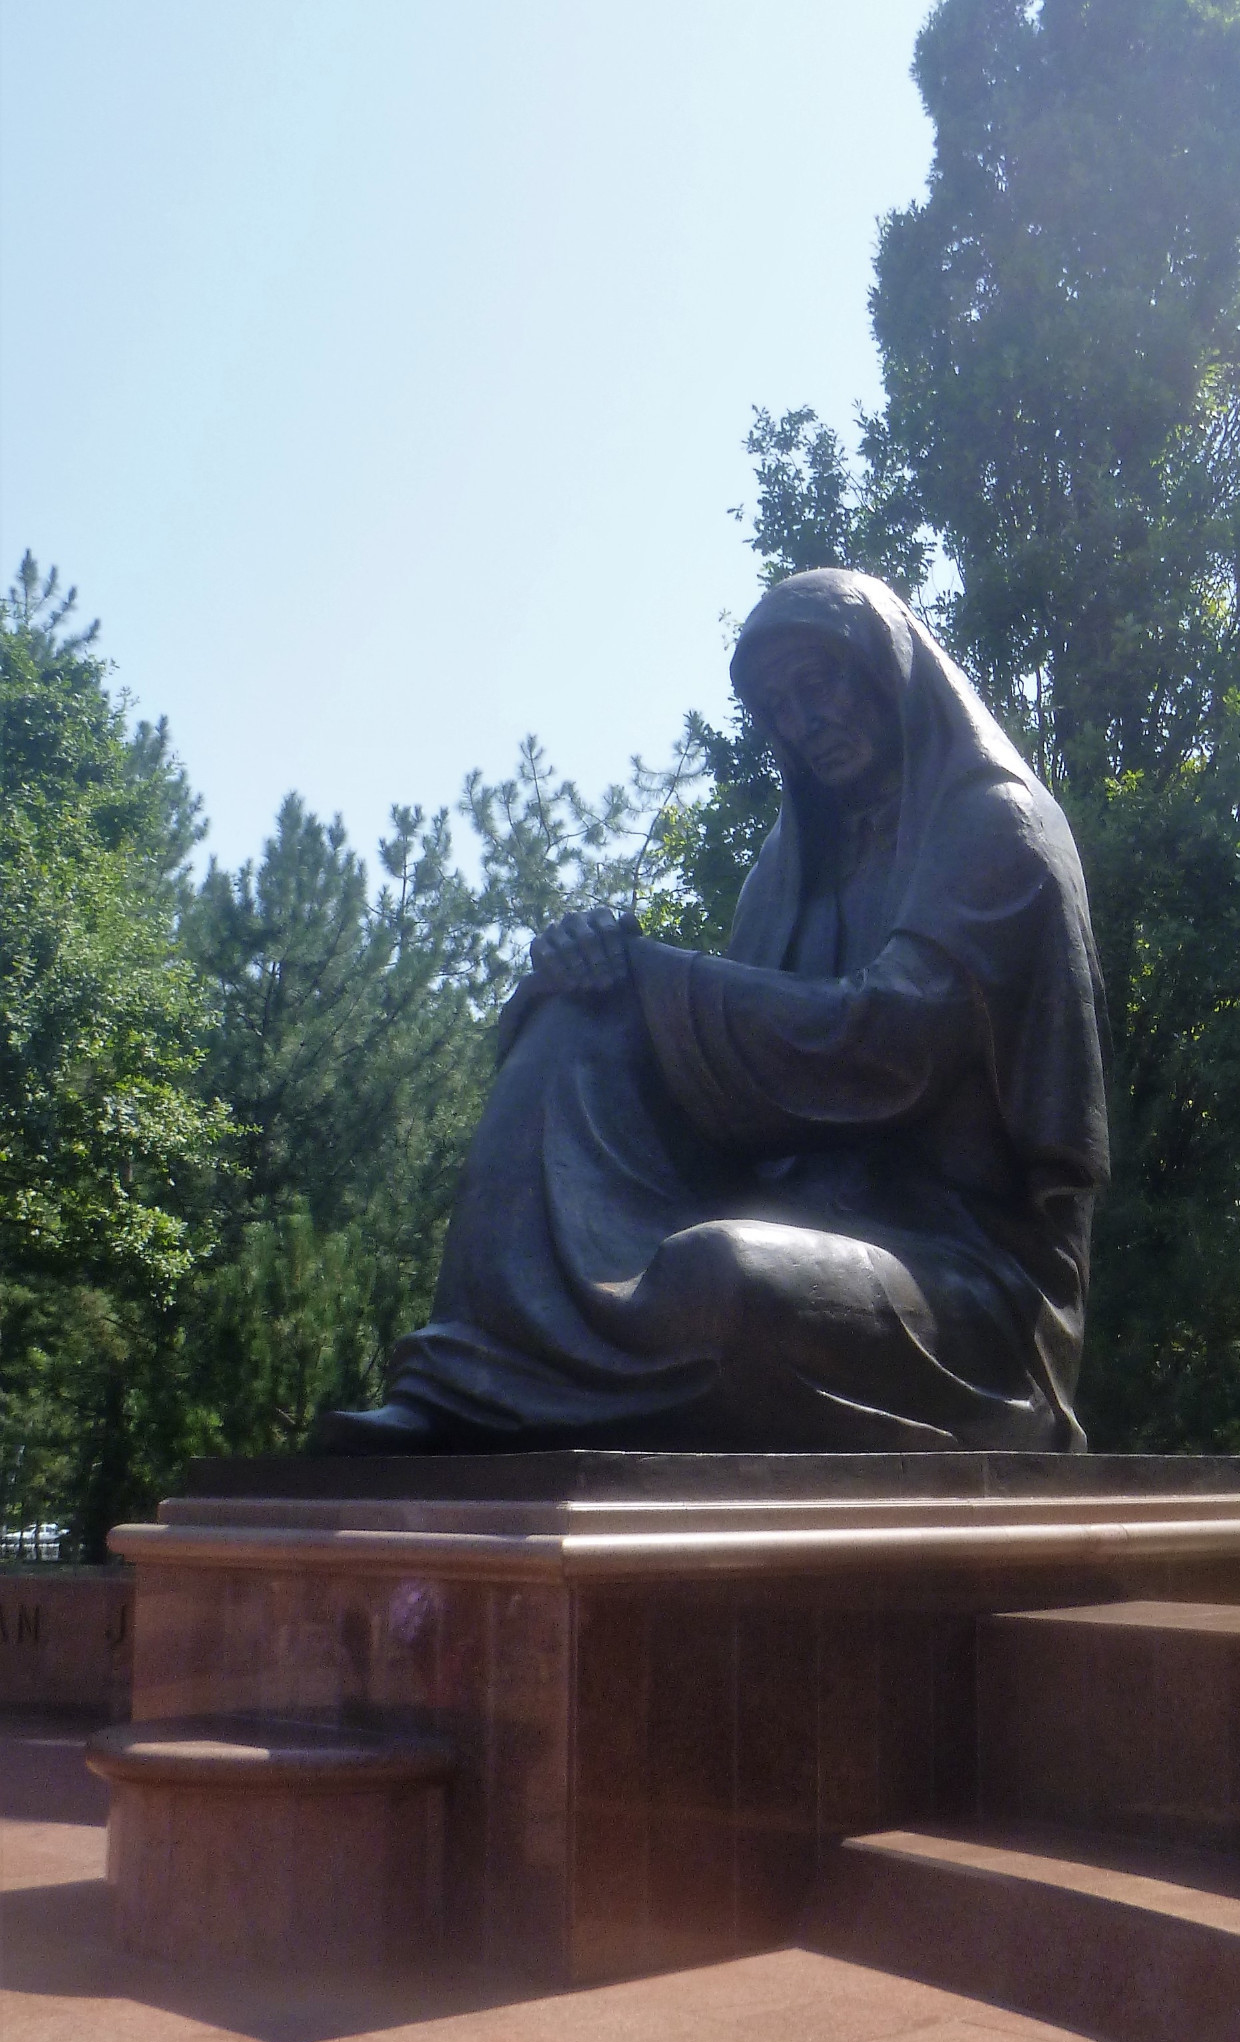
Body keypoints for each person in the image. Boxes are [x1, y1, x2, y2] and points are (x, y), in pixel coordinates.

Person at [319, 568, 1110, 1455]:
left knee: (725, 1277)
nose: (802, 722)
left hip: (967, 1279)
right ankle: (462, 1379)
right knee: (579, 1017)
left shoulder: (996, 825)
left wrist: (656, 981)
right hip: (797, 1211)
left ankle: (552, 1389)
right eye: (778, 707)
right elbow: (737, 1089)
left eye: (819, 685)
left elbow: (889, 1045)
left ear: (886, 670)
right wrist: (599, 974)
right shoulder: (787, 865)